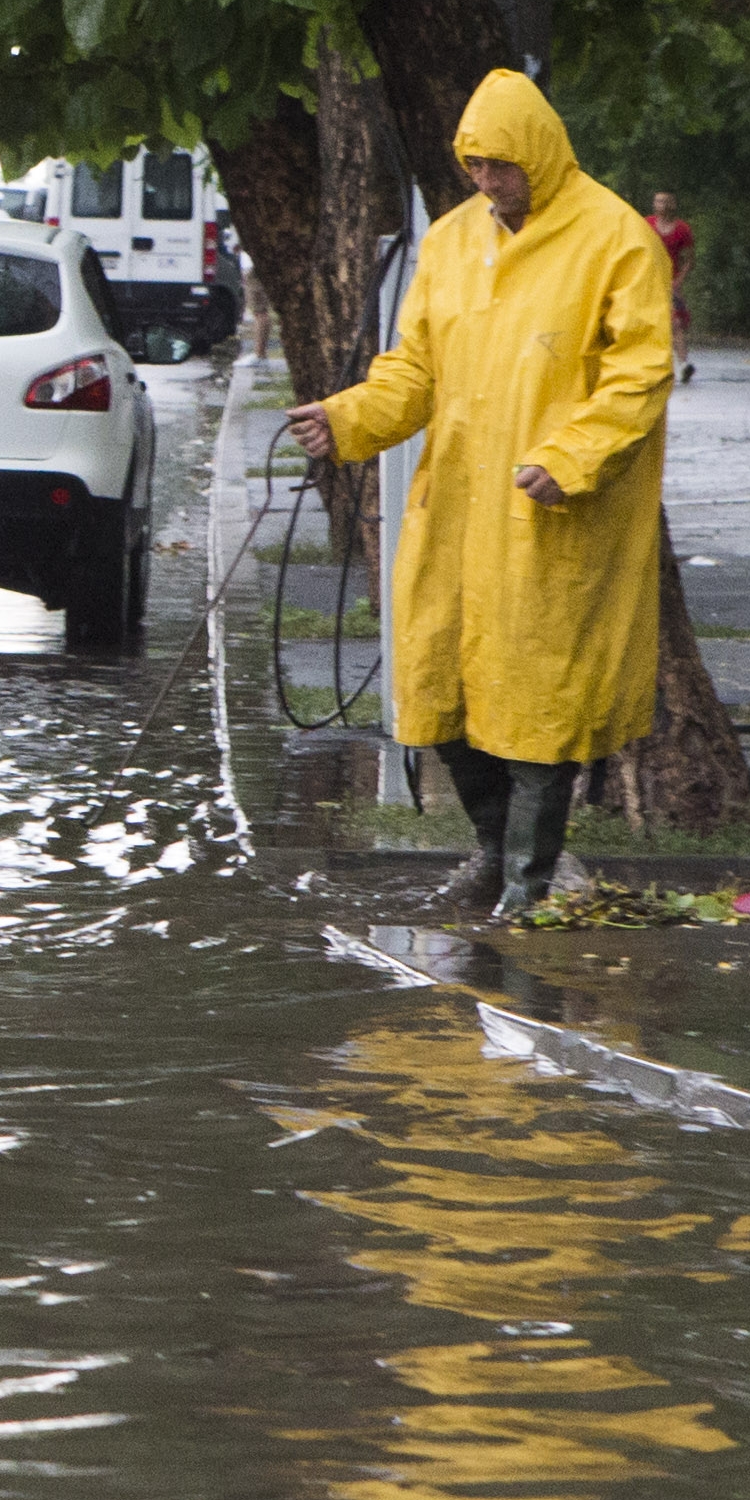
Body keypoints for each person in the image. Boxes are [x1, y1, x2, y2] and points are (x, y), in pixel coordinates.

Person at [284, 70, 673, 921]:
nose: (488, 182)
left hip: (552, 517)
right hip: (458, 508)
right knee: (445, 692)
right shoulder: (453, 240)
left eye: (501, 164)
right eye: (474, 166)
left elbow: (638, 378)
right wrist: (346, 420)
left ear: (539, 153)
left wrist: (569, 458)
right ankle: (493, 858)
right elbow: (413, 370)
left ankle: (531, 888)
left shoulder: (615, 239)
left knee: (541, 705)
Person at [648, 190, 693, 382]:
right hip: (648, 282)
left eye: (665, 202)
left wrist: (678, 281)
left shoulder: (682, 229)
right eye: (658, 201)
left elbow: (690, 260)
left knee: (676, 324)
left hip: (670, 283)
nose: (661, 205)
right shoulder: (646, 224)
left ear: (672, 204)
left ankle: (683, 365)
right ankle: (654, 364)